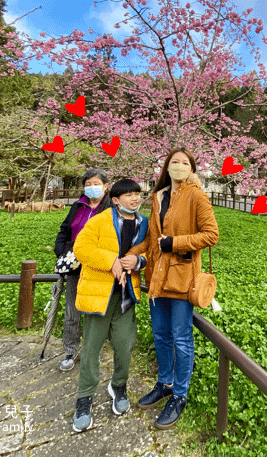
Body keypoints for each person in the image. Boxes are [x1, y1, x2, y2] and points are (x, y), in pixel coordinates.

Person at [127, 148, 219, 430]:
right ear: (166, 167)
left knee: (181, 338)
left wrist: (175, 243)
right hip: (157, 278)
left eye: (185, 163)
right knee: (161, 335)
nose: (179, 166)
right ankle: (165, 382)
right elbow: (152, 240)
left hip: (182, 278)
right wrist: (132, 255)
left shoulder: (196, 195)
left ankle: (180, 394)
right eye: (174, 162)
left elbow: (211, 234)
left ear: (191, 168)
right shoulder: (157, 198)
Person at [71, 179, 149, 431]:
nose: (135, 199)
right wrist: (110, 261)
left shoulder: (143, 223)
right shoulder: (100, 220)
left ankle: (118, 386)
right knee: (91, 349)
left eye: (137, 194)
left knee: (125, 346)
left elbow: (150, 252)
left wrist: (137, 261)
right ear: (115, 200)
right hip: (99, 294)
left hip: (126, 296)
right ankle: (84, 397)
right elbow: (81, 247)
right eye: (128, 195)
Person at [54, 168, 112, 372]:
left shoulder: (111, 208)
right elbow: (64, 230)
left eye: (96, 183)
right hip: (74, 265)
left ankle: (92, 349)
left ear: (106, 186)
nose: (92, 187)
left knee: (95, 310)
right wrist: (62, 252)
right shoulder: (79, 206)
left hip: (98, 266)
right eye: (88, 184)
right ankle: (70, 350)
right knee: (72, 310)